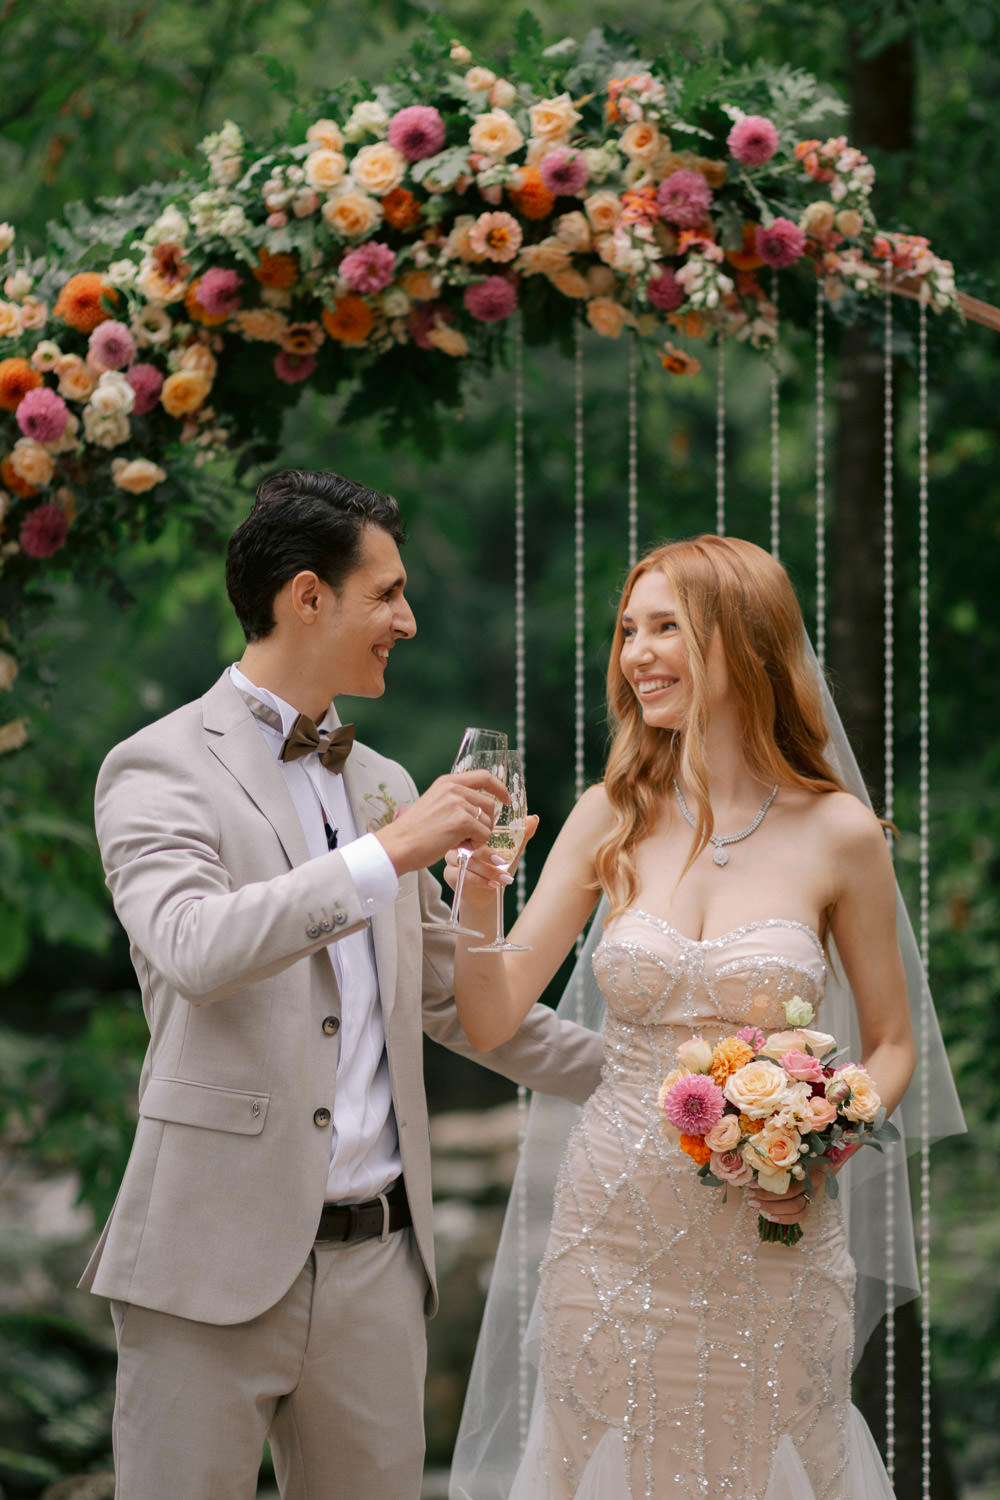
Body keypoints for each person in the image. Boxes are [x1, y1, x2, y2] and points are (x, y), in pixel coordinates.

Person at [80, 468, 603, 1500]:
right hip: (204, 1263)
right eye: (387, 595)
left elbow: (461, 1007)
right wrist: (390, 856)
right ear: (307, 597)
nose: (406, 621)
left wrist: (679, 1081)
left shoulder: (383, 784)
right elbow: (193, 947)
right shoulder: (157, 767)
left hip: (376, 1267)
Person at [446, 534, 934, 1499]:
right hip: (611, 1236)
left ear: (744, 642)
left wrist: (818, 1144)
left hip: (772, 1239)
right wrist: (475, 893)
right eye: (629, 630)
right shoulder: (607, 816)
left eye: (668, 627)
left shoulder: (837, 832)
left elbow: (891, 1043)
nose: (637, 653)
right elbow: (494, 1012)